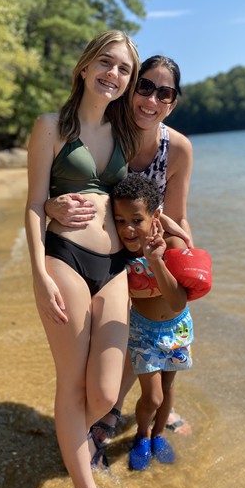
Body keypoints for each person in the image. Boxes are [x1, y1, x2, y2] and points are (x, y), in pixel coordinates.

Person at [45, 55, 194, 466]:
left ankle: (132, 410)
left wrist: (188, 264)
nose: (151, 99)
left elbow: (178, 215)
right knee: (111, 338)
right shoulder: (110, 132)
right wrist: (49, 204)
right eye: (144, 87)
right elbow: (72, 179)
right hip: (105, 250)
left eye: (164, 93)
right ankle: (98, 413)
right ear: (131, 89)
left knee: (154, 330)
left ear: (173, 102)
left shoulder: (178, 147)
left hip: (152, 250)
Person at [25, 30, 141, 488]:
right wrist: (39, 274)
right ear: (84, 66)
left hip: (114, 267)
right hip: (65, 259)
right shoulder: (50, 126)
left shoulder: (126, 134)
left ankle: (72, 437)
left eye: (123, 69)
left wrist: (171, 234)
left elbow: (138, 194)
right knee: (71, 385)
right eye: (105, 62)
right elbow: (33, 205)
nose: (112, 74)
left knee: (105, 393)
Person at [110, 174, 211, 470]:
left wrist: (156, 260)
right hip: (143, 331)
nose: (127, 229)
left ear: (155, 217)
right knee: (152, 396)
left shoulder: (172, 243)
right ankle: (141, 435)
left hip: (178, 328)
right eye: (119, 220)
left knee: (168, 390)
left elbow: (178, 301)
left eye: (136, 220)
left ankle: (158, 436)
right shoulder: (120, 253)